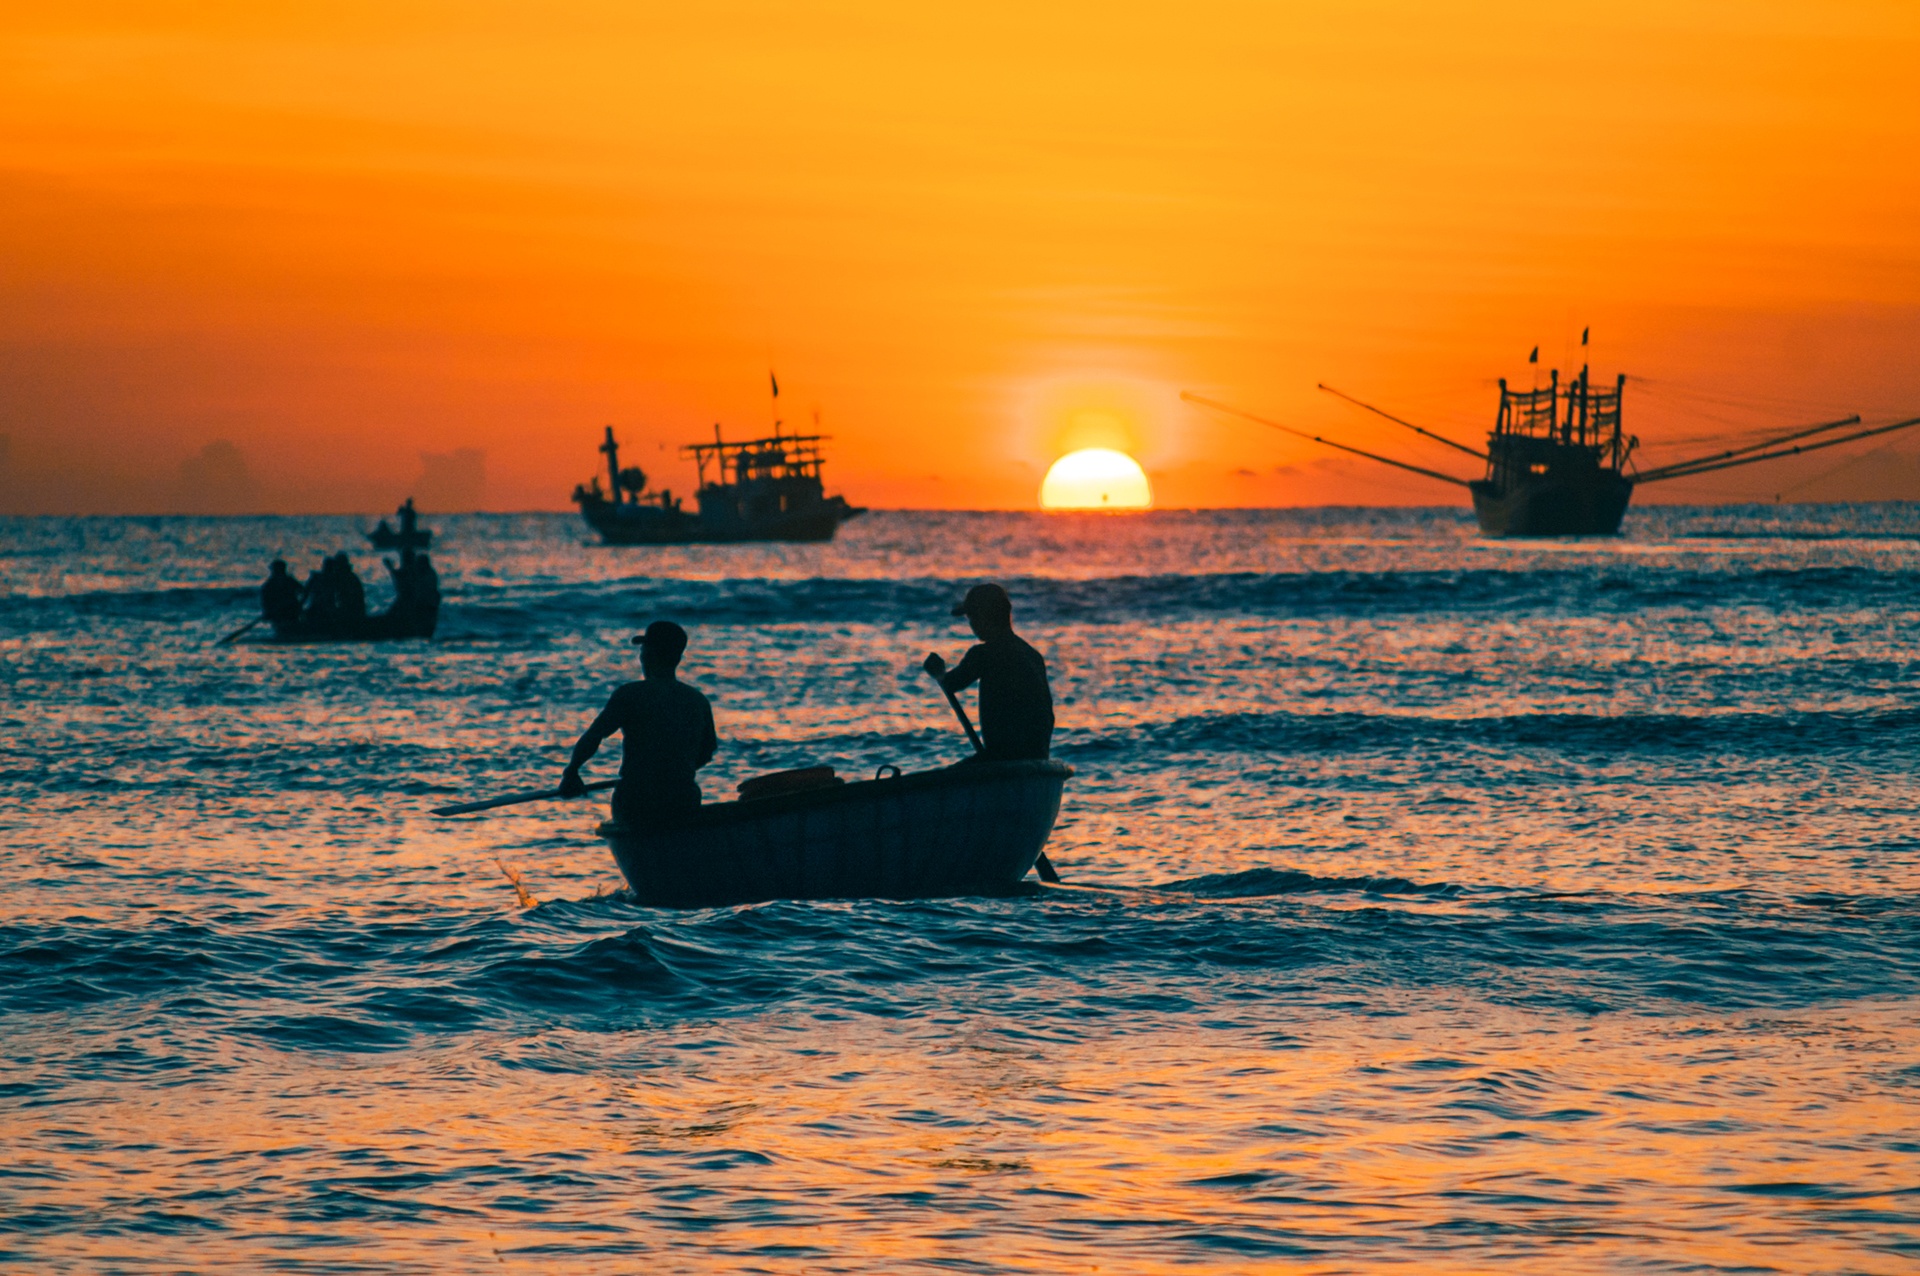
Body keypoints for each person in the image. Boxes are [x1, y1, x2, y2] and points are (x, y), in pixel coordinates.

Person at [560, 621, 718, 830]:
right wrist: (672, 772)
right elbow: (707, 751)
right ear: (678, 658)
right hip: (683, 798)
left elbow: (595, 736)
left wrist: (571, 772)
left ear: (648, 655)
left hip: (637, 800)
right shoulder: (698, 700)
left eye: (643, 650)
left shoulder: (630, 695)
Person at [923, 583, 1054, 760]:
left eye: (971, 617)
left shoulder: (984, 654)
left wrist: (938, 672)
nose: (971, 624)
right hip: (1038, 756)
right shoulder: (1032, 655)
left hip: (1003, 758)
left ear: (982, 617)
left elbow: (951, 683)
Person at [260, 559, 302, 632]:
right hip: (283, 613)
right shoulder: (289, 581)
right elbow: (303, 591)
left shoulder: (270, 584)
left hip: (289, 612)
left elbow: (265, 601)